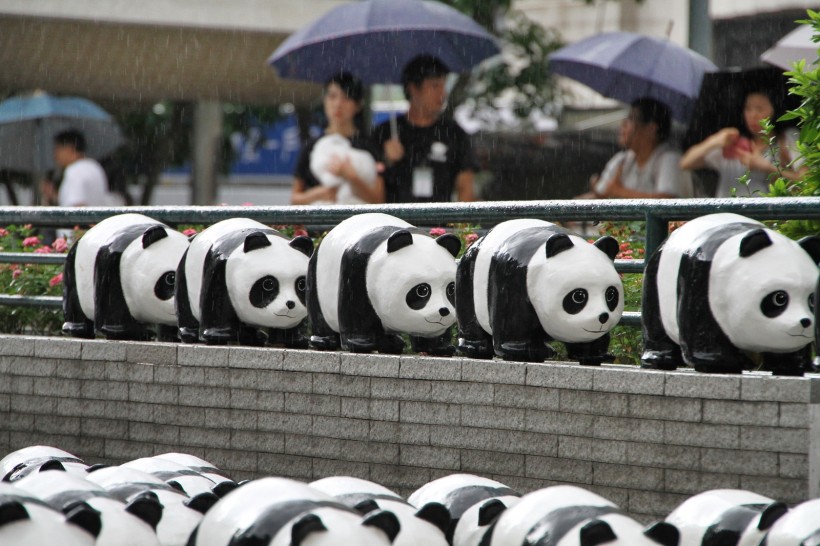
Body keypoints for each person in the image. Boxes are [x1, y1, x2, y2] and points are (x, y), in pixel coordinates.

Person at [372, 54, 477, 203]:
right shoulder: (385, 132)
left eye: (444, 85)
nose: (442, 93)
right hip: (394, 223)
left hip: (440, 224)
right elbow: (370, 190)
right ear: (413, 88)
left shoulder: (454, 133)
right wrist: (385, 160)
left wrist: (461, 225)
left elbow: (465, 187)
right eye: (435, 86)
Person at [679, 88, 805, 197]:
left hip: (767, 221)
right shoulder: (733, 144)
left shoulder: (787, 139)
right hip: (729, 218)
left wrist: (767, 168)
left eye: (759, 109)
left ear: (775, 110)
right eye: (748, 109)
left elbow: (806, 182)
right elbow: (686, 163)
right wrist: (713, 141)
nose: (753, 115)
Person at [291, 72, 384, 205]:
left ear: (358, 105)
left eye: (346, 97)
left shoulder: (370, 145)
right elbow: (294, 199)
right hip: (320, 223)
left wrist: (352, 178)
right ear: (324, 100)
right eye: (332, 96)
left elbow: (379, 200)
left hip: (360, 222)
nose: (338, 104)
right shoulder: (311, 146)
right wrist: (319, 193)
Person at [583, 98, 691, 199]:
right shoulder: (622, 159)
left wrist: (619, 191)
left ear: (651, 128)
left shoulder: (670, 159)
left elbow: (667, 201)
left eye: (631, 119)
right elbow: (602, 191)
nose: (623, 125)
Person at [41, 129, 112, 207]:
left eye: (58, 149)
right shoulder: (94, 167)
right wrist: (54, 196)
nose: (55, 156)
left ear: (70, 149)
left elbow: (77, 206)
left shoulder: (74, 171)